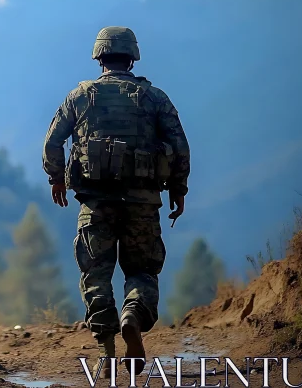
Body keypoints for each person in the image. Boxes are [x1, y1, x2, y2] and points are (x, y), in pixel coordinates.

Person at [42, 26, 191, 378]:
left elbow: (53, 142)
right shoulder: (154, 97)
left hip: (95, 204)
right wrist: (178, 189)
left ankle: (106, 352)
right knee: (142, 270)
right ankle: (133, 317)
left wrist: (57, 177)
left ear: (99, 58)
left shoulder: (80, 96)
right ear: (132, 57)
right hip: (142, 202)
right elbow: (180, 147)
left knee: (96, 275)